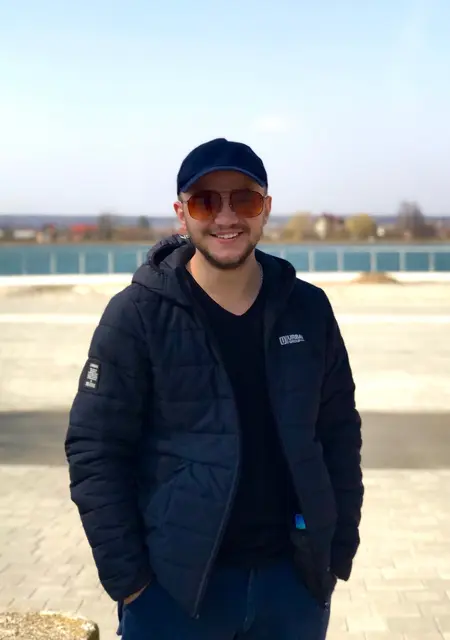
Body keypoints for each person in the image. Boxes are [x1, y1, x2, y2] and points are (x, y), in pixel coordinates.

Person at [65, 138, 364, 640]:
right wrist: (131, 582)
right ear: (181, 214)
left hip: (292, 588)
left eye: (244, 199)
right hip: (174, 594)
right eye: (206, 202)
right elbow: (95, 449)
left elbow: (339, 434)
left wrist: (336, 551)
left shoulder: (308, 309)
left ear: (265, 209)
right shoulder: (137, 314)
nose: (226, 217)